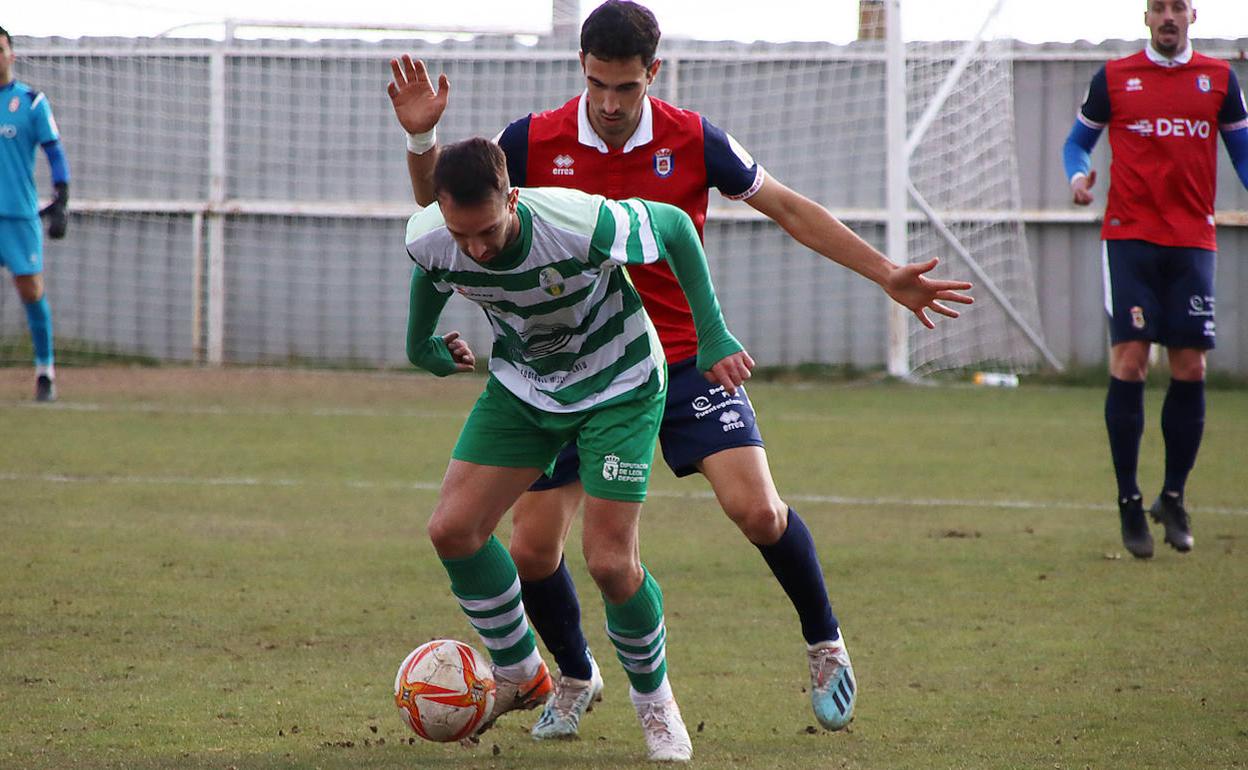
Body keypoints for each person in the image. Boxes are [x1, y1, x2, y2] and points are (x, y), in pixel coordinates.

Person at [389, 0, 974, 737]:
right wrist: (422, 136)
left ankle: (825, 643)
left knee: (757, 511)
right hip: (571, 365)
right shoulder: (531, 140)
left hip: (685, 356)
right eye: (597, 83)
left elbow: (789, 209)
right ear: (582, 69)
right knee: (533, 549)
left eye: (625, 88)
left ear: (652, 75)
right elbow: (442, 215)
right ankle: (573, 676)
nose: (608, 103)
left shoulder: (693, 139)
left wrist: (887, 272)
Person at [407, 136, 754, 762]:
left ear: (512, 198)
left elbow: (674, 225)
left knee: (610, 563)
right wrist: (420, 346)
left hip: (620, 382)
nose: (477, 249)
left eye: (487, 230)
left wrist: (712, 332)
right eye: (463, 236)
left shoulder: (576, 221)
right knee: (454, 529)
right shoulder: (433, 234)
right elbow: (434, 272)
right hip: (527, 389)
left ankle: (656, 704)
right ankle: (520, 672)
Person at [1062, 0, 1248, 559]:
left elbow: (1242, 150)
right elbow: (1077, 142)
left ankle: (1173, 496)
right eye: (1158, 7)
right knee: (1132, 359)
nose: (1168, 16)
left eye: (1178, 7)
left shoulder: (1220, 79)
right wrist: (1076, 176)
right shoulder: (1115, 77)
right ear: (1146, 17)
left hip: (1193, 240)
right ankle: (1128, 500)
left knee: (1191, 365)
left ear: (1194, 15)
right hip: (1129, 238)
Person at [0, 25, 69, 402]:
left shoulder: (31, 102)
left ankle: (45, 371)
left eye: (0, 49)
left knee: (31, 290)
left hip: (17, 215)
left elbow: (54, 152)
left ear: (11, 54)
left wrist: (62, 199)